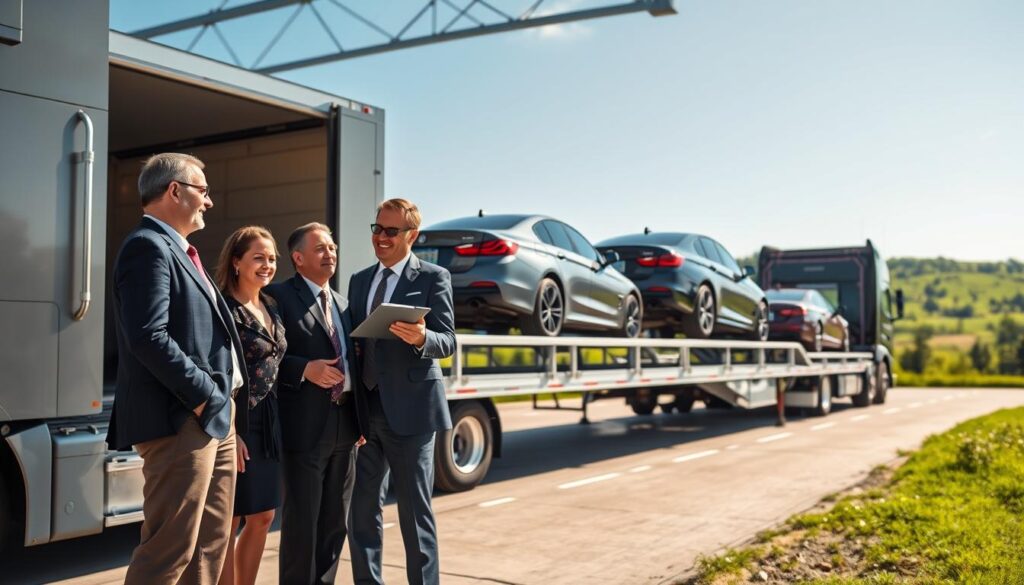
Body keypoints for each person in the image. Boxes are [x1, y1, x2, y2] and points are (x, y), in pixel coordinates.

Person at [106, 153, 247, 585]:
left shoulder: (181, 251)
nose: (208, 201)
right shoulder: (148, 247)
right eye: (203, 191)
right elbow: (149, 336)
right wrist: (205, 395)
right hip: (183, 418)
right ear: (175, 191)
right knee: (169, 551)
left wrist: (222, 407)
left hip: (213, 418)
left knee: (209, 546)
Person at [348, 198, 456, 585]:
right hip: (365, 411)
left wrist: (423, 337)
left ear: (411, 235)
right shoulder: (360, 280)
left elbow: (448, 342)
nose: (380, 237)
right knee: (361, 513)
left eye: (390, 231)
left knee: (414, 513)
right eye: (376, 228)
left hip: (412, 413)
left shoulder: (433, 277)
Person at [265, 222, 363, 584]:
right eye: (321, 248)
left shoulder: (343, 304)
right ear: (298, 257)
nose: (330, 253)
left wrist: (360, 423)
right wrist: (305, 369)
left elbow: (355, 362)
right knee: (302, 523)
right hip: (304, 429)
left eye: (333, 247)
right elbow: (264, 355)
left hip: (345, 426)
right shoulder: (276, 297)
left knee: (335, 524)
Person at [214, 226, 287, 585]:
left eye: (272, 258)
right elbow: (217, 373)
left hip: (269, 423)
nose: (267, 264)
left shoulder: (270, 305)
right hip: (237, 421)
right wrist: (232, 432)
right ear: (236, 262)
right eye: (258, 257)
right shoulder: (221, 308)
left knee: (263, 516)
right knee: (230, 519)